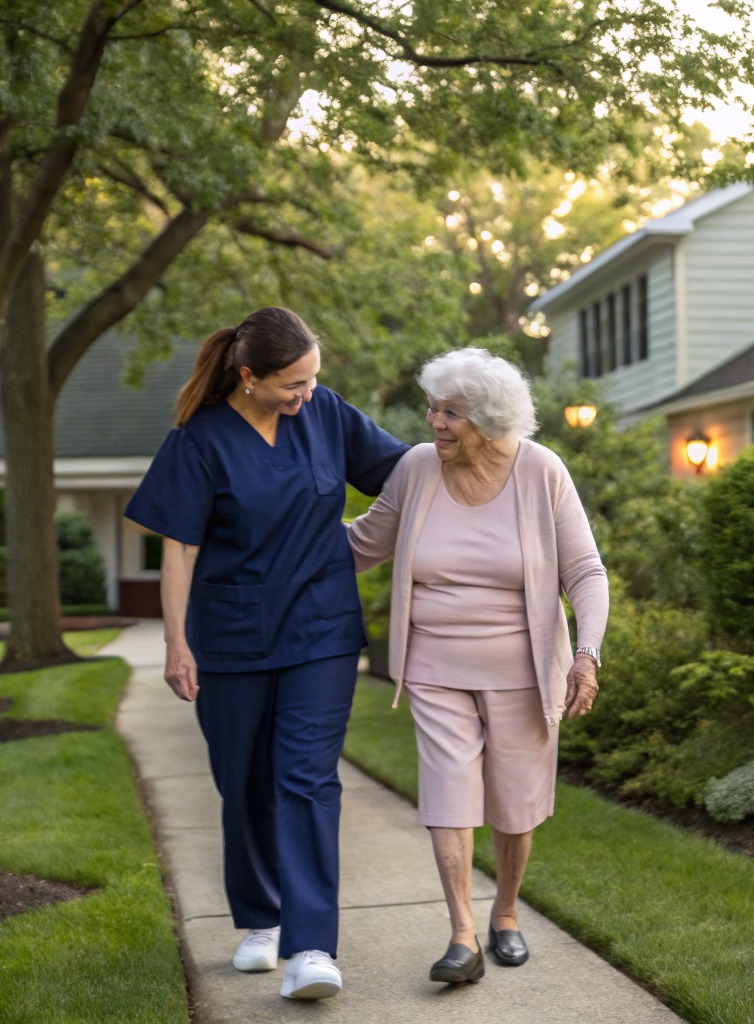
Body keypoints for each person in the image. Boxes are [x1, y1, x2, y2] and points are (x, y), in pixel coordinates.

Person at [124, 307, 408, 1001]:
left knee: (306, 779)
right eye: (293, 383)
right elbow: (179, 549)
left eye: (312, 378)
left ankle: (311, 947)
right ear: (248, 376)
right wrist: (176, 642)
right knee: (244, 780)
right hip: (231, 635)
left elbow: (406, 472)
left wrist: (480, 446)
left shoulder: (326, 412)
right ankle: (261, 920)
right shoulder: (198, 441)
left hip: (320, 629)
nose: (306, 393)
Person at [346, 347, 607, 985]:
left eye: (452, 414)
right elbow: (361, 545)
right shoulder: (416, 468)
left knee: (516, 802)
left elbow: (585, 572)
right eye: (433, 408)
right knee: (448, 793)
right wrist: (279, 526)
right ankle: (462, 935)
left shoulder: (541, 471)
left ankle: (506, 913)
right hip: (434, 665)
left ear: (490, 422)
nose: (435, 422)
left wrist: (586, 656)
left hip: (524, 669)